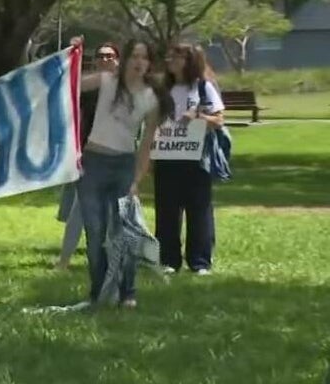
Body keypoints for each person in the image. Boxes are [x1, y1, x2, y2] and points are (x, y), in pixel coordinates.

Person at [77, 39, 171, 308]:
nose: (139, 62)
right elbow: (71, 85)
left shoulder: (152, 98)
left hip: (123, 166)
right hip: (93, 163)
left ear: (150, 63)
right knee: (95, 233)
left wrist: (136, 180)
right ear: (125, 59)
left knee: (123, 232)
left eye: (144, 57)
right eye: (134, 56)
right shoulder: (107, 81)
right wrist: (74, 53)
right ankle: (98, 292)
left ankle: (127, 292)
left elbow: (146, 144)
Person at [155, 43, 225, 275]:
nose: (171, 60)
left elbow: (219, 120)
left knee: (199, 210)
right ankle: (168, 260)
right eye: (169, 56)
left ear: (190, 60)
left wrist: (198, 116)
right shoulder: (164, 89)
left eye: (177, 57)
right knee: (166, 210)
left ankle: (200, 261)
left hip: (196, 158)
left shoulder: (203, 87)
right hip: (166, 156)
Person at [55, 42, 120, 270]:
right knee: (79, 209)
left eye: (110, 56)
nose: (105, 59)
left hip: (118, 157)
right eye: (100, 56)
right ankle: (64, 261)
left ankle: (117, 259)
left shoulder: (126, 88)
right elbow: (67, 94)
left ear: (118, 60)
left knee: (116, 212)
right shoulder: (89, 87)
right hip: (91, 155)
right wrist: (72, 55)